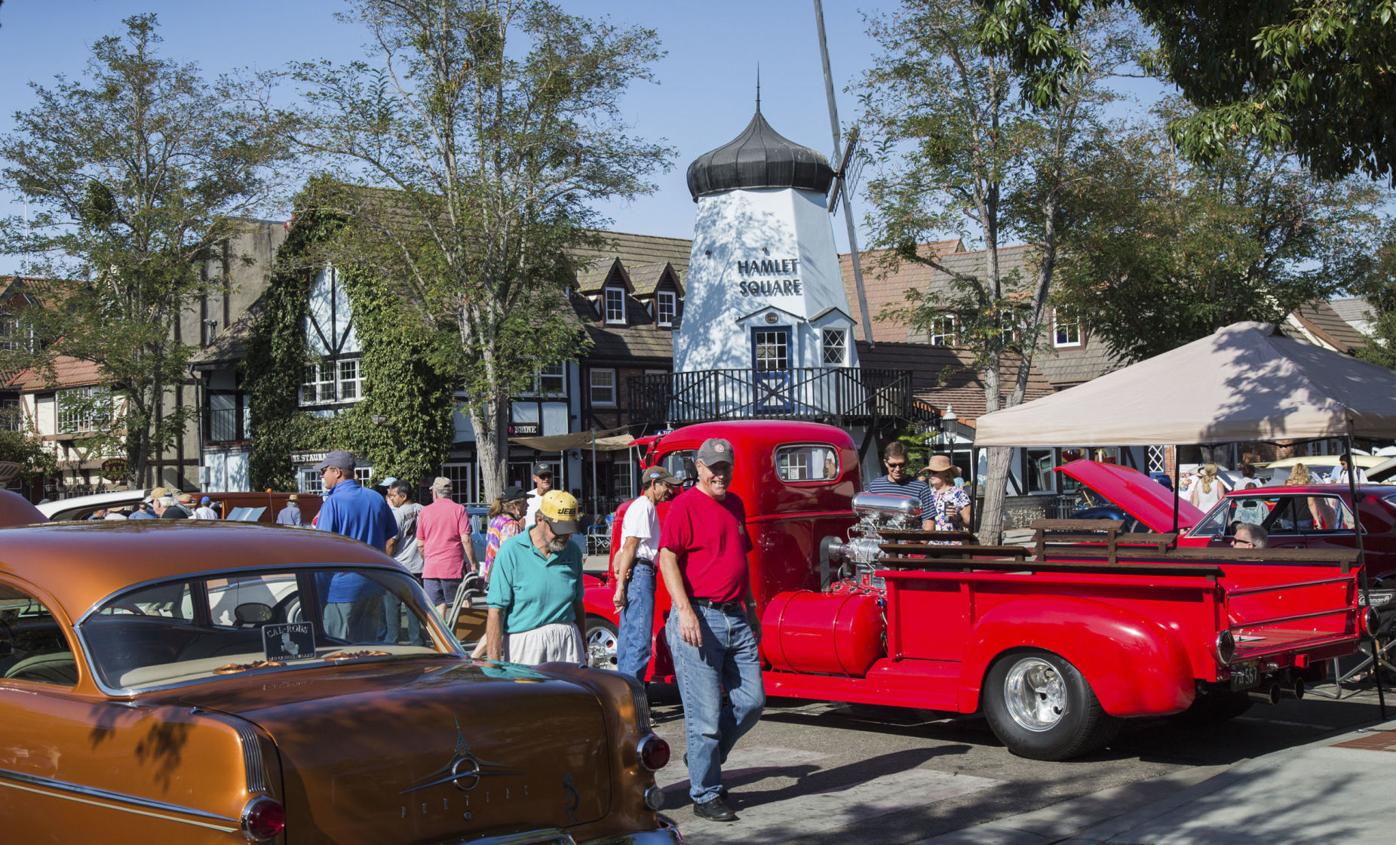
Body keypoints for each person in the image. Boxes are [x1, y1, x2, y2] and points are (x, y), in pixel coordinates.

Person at [658, 437, 762, 824]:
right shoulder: (684, 505)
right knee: (703, 717)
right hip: (699, 618)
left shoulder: (734, 503)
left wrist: (751, 610)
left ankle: (706, 759)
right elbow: (667, 559)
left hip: (735, 616)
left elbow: (739, 561)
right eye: (713, 467)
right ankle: (705, 793)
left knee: (752, 701)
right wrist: (684, 612)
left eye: (726, 466)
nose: (721, 473)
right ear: (698, 469)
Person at [485, 489, 586, 665]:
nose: (565, 536)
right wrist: (494, 663)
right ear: (540, 519)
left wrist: (583, 647)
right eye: (559, 529)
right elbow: (496, 611)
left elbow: (578, 604)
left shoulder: (573, 552)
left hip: (567, 643)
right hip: (526, 645)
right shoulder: (511, 551)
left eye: (568, 530)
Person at [314, 450, 397, 641]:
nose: (322, 475)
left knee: (339, 648)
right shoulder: (375, 498)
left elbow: (320, 548)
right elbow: (390, 534)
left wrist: (318, 592)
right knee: (369, 647)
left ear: (337, 472)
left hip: (341, 587)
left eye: (324, 470)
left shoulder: (333, 503)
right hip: (373, 584)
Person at [613, 466, 676, 681]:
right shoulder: (645, 507)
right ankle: (631, 700)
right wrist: (620, 587)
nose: (669, 490)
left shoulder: (638, 506)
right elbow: (631, 545)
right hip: (640, 573)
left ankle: (623, 696)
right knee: (639, 641)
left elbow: (625, 548)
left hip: (636, 572)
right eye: (665, 485)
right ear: (653, 484)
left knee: (629, 638)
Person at [416, 476, 477, 615]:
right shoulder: (459, 509)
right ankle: (464, 635)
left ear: (435, 492)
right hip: (453, 566)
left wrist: (428, 559)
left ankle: (439, 636)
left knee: (438, 605)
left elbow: (420, 544)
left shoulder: (424, 512)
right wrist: (473, 564)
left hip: (431, 569)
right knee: (463, 601)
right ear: (451, 492)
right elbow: (466, 539)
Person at [865, 441, 934, 530]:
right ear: (886, 463)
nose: (897, 469)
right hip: (881, 541)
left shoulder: (921, 488)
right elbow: (868, 517)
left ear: (907, 463)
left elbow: (929, 522)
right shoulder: (875, 486)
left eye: (901, 465)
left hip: (911, 541)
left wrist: (921, 543)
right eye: (892, 465)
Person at [484, 485, 529, 584]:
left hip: (492, 572)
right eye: (525, 503)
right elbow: (511, 554)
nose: (528, 506)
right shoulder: (511, 525)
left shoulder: (496, 519)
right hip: (503, 576)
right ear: (516, 505)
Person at [384, 481, 424, 581]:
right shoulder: (423, 509)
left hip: (402, 566)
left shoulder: (398, 514)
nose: (391, 498)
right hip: (421, 566)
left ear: (403, 496)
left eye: (393, 495)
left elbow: (391, 542)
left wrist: (385, 561)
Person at [925, 454, 971, 533]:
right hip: (931, 542)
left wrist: (956, 518)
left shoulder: (959, 494)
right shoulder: (927, 494)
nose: (931, 475)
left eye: (934, 472)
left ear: (946, 473)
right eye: (929, 472)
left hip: (953, 542)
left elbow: (970, 522)